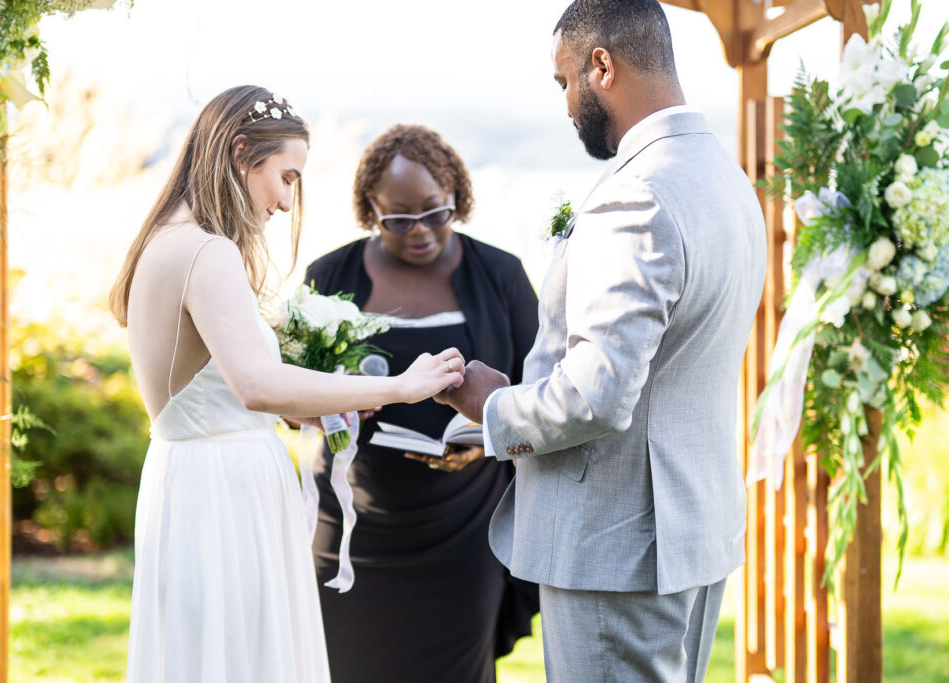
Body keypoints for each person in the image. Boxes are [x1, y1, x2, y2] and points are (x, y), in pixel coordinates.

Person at [437, 1, 768, 681]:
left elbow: (595, 395)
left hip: (617, 549)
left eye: (564, 82)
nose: (564, 106)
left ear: (602, 66)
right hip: (690, 531)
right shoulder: (727, 181)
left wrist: (492, 408)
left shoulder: (637, 196)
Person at [109, 87, 465, 683]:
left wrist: (311, 405)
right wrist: (400, 387)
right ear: (240, 152)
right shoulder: (207, 250)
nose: (285, 198)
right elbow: (256, 385)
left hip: (192, 480)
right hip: (224, 493)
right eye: (286, 176)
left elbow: (220, 389)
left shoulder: (164, 239)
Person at [304, 124, 540, 683]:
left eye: (436, 212)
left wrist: (486, 442)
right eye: (399, 219)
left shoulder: (500, 275)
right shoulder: (329, 276)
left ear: (457, 196)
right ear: (369, 210)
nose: (420, 232)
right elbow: (291, 389)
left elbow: (541, 390)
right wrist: (331, 405)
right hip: (352, 525)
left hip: (464, 529)